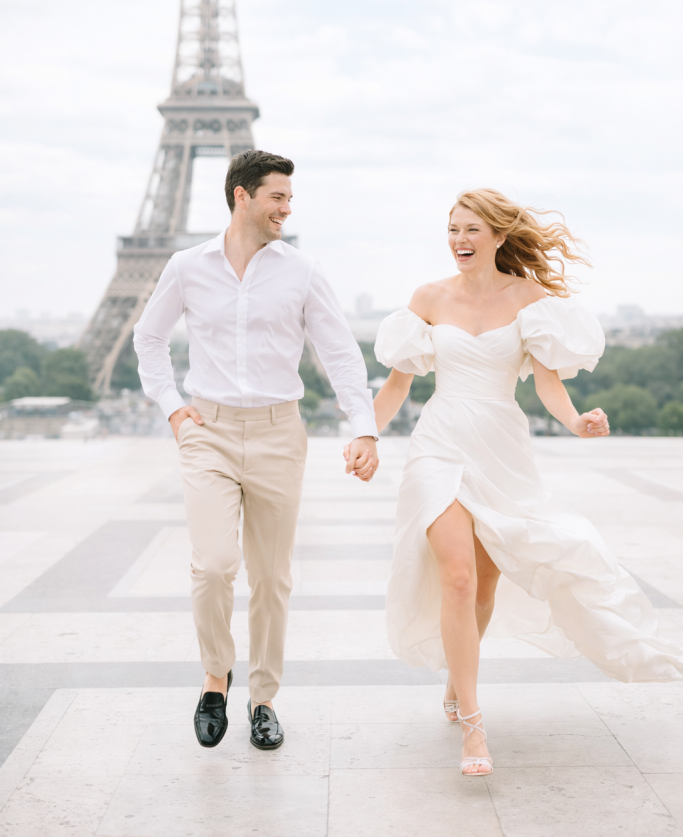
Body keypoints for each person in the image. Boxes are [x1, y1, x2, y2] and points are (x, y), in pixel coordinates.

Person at [365, 188, 683, 777]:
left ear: (499, 237)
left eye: (472, 231)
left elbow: (548, 386)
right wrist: (366, 434)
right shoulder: (428, 298)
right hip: (438, 444)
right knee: (456, 577)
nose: (459, 241)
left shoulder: (533, 300)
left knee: (483, 589)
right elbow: (397, 386)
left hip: (500, 449)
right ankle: (474, 728)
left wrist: (577, 421)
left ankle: (460, 682)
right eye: (453, 229)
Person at [133, 149, 379, 752]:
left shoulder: (302, 271)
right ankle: (215, 677)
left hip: (277, 433)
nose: (286, 208)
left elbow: (340, 353)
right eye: (277, 197)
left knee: (271, 578)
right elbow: (149, 337)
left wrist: (364, 426)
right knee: (214, 564)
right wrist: (173, 407)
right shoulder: (188, 267)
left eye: (290, 199)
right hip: (208, 431)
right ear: (242, 195)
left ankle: (263, 699)